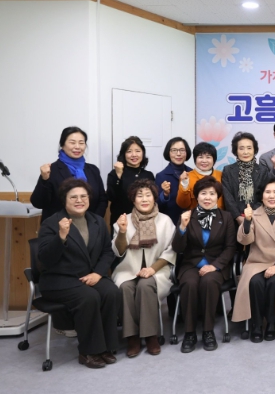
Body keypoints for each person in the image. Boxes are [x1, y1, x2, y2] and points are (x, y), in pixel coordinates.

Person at [37, 178, 121, 369]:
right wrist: (61, 237)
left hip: (89, 275)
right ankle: (89, 351)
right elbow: (45, 259)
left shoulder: (98, 221)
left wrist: (98, 273)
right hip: (59, 280)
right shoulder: (52, 223)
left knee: (111, 292)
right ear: (64, 200)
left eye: (83, 196)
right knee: (89, 297)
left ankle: (106, 346)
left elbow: (107, 252)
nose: (79, 200)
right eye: (73, 197)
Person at [111, 179, 176, 358]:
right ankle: (132, 337)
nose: (144, 199)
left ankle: (150, 336)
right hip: (128, 270)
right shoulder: (123, 221)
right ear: (133, 200)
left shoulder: (165, 221)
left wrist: (153, 269)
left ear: (155, 198)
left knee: (145, 285)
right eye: (140, 196)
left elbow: (171, 250)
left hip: (158, 271)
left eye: (148, 195)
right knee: (125, 287)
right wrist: (122, 232)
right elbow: (118, 251)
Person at [172, 177, 236, 353]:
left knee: (209, 281)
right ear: (196, 196)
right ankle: (189, 333)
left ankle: (208, 331)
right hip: (191, 264)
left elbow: (230, 247)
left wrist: (215, 266)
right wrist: (182, 228)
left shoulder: (226, 217)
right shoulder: (187, 216)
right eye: (203, 193)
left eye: (212, 194)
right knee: (190, 283)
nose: (207, 197)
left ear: (218, 196)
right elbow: (178, 248)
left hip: (216, 265)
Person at [232, 179, 275, 342]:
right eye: (267, 192)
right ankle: (256, 324)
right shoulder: (254, 215)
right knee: (255, 281)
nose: (272, 196)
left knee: (274, 282)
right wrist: (247, 221)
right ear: (261, 196)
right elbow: (245, 240)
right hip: (257, 262)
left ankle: (272, 322)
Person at [31, 126, 107, 222]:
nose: (77, 147)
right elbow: (38, 203)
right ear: (62, 145)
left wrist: (94, 222)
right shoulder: (52, 170)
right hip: (57, 226)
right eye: (72, 142)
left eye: (81, 143)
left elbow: (102, 200)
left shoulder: (93, 170)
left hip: (89, 226)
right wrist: (44, 180)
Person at [222, 132, 271, 223]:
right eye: (241, 148)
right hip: (233, 220)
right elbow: (228, 197)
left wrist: (252, 213)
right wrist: (237, 217)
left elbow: (264, 195)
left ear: (254, 150)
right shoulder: (228, 170)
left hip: (258, 218)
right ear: (236, 151)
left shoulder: (262, 171)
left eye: (249, 148)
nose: (245, 152)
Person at [107, 136, 155, 227]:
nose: (134, 155)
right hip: (121, 221)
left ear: (143, 153)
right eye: (129, 151)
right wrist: (118, 177)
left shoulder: (148, 175)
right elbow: (111, 197)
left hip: (145, 221)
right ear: (124, 154)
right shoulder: (115, 173)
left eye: (137, 151)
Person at [155, 137, 192, 224]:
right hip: (169, 222)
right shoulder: (161, 176)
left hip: (190, 222)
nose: (178, 154)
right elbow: (156, 206)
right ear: (168, 153)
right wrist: (165, 194)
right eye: (174, 150)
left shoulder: (192, 173)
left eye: (182, 150)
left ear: (186, 152)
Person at [176, 142, 224, 210]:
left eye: (208, 157)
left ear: (214, 159)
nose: (204, 161)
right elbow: (182, 204)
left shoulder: (221, 175)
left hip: (219, 215)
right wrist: (184, 184)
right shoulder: (187, 177)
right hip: (196, 216)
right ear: (195, 159)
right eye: (200, 157)